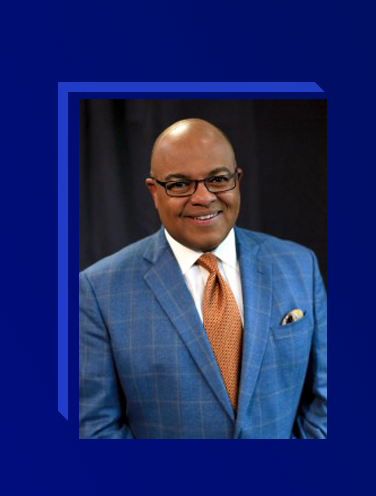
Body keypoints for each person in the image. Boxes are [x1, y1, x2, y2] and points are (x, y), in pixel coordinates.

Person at [79, 118, 327, 439]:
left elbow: (325, 397)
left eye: (218, 179)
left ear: (237, 180)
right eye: (180, 184)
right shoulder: (99, 290)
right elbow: (97, 428)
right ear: (154, 192)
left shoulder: (299, 265)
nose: (204, 197)